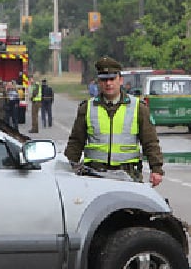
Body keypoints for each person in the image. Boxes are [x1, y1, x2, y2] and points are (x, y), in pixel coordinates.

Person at [65, 56, 164, 187]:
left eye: (112, 79)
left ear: (120, 80)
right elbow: (76, 142)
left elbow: (150, 141)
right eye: (104, 80)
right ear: (99, 82)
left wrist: (156, 169)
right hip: (94, 174)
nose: (108, 84)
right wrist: (66, 169)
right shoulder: (87, 108)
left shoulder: (138, 107)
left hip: (128, 174)